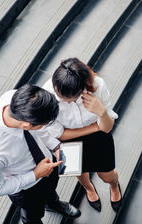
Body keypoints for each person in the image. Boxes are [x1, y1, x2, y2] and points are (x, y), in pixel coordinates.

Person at [0, 84, 81, 224]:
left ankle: (54, 203)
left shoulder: (15, 98)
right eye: (44, 123)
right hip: (26, 188)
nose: (47, 126)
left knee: (51, 190)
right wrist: (35, 175)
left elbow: (39, 131)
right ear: (26, 125)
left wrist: (56, 147)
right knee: (32, 213)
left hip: (46, 162)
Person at [42, 57, 122, 212]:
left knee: (107, 175)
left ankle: (114, 186)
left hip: (99, 137)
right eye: (62, 99)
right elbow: (61, 135)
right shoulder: (47, 96)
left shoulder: (97, 85)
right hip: (70, 139)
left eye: (71, 100)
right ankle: (89, 188)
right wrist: (94, 127)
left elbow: (107, 128)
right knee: (77, 171)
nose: (68, 103)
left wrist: (102, 112)